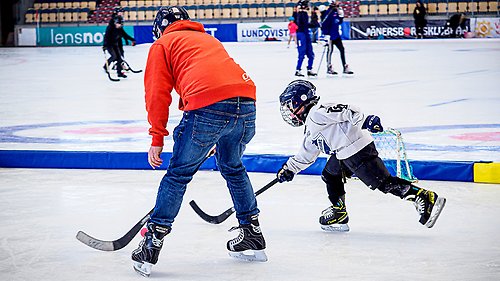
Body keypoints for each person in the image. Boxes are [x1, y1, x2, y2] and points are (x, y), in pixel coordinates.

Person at [131, 6, 267, 277]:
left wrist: (157, 137)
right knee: (233, 167)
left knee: (178, 175)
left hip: (208, 107)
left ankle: (152, 242)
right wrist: (221, 131)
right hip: (246, 103)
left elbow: (157, 94)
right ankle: (252, 232)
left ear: (160, 27)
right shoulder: (208, 39)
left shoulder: (162, 44)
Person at [276, 80, 446, 232]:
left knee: (384, 183)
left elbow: (347, 110)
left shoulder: (317, 113)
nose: (289, 112)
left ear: (301, 100)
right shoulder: (310, 129)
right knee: (330, 174)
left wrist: (366, 120)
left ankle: (424, 196)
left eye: (290, 106)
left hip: (359, 150)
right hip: (343, 154)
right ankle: (338, 211)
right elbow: (306, 155)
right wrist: (289, 169)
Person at [321, 0, 353, 76]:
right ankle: (329, 67)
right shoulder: (328, 12)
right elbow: (324, 24)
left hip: (336, 35)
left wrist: (341, 16)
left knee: (342, 49)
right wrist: (326, 35)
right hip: (330, 36)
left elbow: (338, 22)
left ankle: (344, 66)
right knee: (330, 51)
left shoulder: (336, 11)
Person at [294, 0, 317, 77]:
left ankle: (309, 69)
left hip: (306, 34)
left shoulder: (304, 14)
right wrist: (312, 24)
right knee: (302, 53)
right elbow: (303, 25)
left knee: (311, 54)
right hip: (301, 34)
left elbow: (306, 25)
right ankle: (298, 69)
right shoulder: (300, 14)